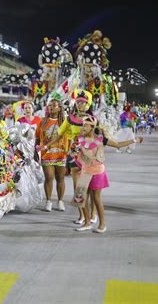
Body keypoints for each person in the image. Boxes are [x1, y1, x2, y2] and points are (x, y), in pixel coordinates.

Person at [73, 115, 143, 233]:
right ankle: (87, 223)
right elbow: (73, 154)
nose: (83, 127)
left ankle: (102, 225)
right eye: (83, 125)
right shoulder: (79, 139)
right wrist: (74, 151)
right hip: (85, 171)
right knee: (80, 198)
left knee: (96, 198)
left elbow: (118, 145)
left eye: (86, 125)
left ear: (92, 127)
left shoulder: (101, 139)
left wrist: (133, 140)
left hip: (97, 172)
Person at [45, 89, 97, 224]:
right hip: (74, 154)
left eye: (83, 102)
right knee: (77, 187)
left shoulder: (93, 119)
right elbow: (59, 134)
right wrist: (47, 145)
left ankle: (93, 214)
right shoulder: (70, 119)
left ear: (88, 104)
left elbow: (100, 137)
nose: (80, 105)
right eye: (78, 102)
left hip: (90, 156)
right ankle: (82, 216)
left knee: (90, 187)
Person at [36, 95, 67, 212]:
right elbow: (37, 138)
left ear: (59, 108)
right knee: (49, 177)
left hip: (60, 154)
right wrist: (35, 151)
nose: (51, 108)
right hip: (46, 154)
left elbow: (71, 136)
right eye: (49, 106)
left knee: (60, 177)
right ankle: (48, 201)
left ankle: (60, 201)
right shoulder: (43, 122)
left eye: (53, 106)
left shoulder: (64, 122)